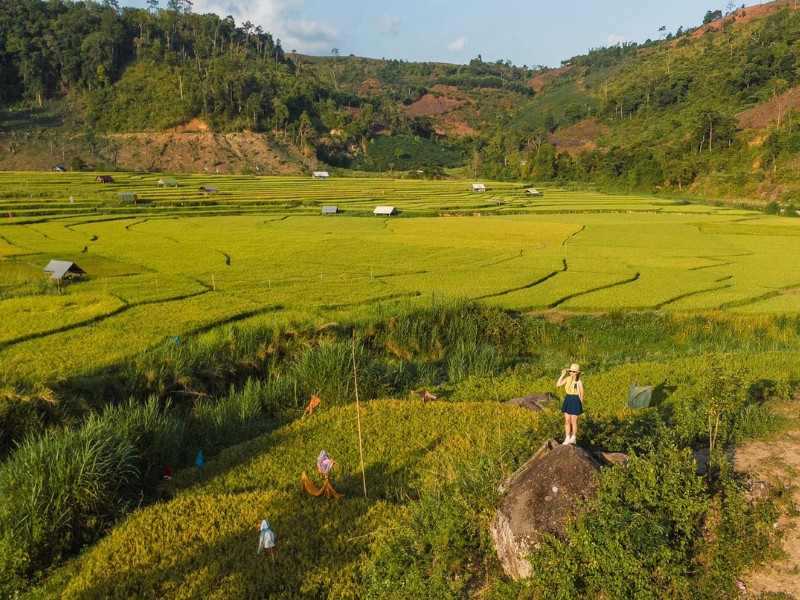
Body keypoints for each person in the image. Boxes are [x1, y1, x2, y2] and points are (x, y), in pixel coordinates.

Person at [557, 363, 584, 445]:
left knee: (574, 421)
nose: (571, 373)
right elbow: (558, 384)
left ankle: (573, 438)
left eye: (573, 371)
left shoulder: (579, 382)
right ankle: (567, 437)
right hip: (568, 399)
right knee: (567, 420)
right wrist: (562, 375)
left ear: (577, 373)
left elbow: (582, 394)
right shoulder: (568, 378)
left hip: (575, 400)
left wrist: (580, 404)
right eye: (571, 371)